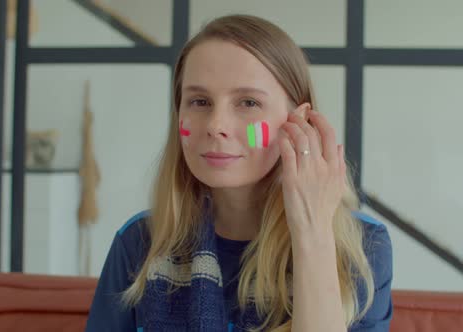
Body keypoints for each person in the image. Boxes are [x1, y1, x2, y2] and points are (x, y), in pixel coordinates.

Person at [85, 14, 392, 332]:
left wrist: (313, 233)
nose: (216, 126)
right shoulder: (139, 241)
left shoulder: (363, 245)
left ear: (299, 120)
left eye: (248, 102)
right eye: (199, 101)